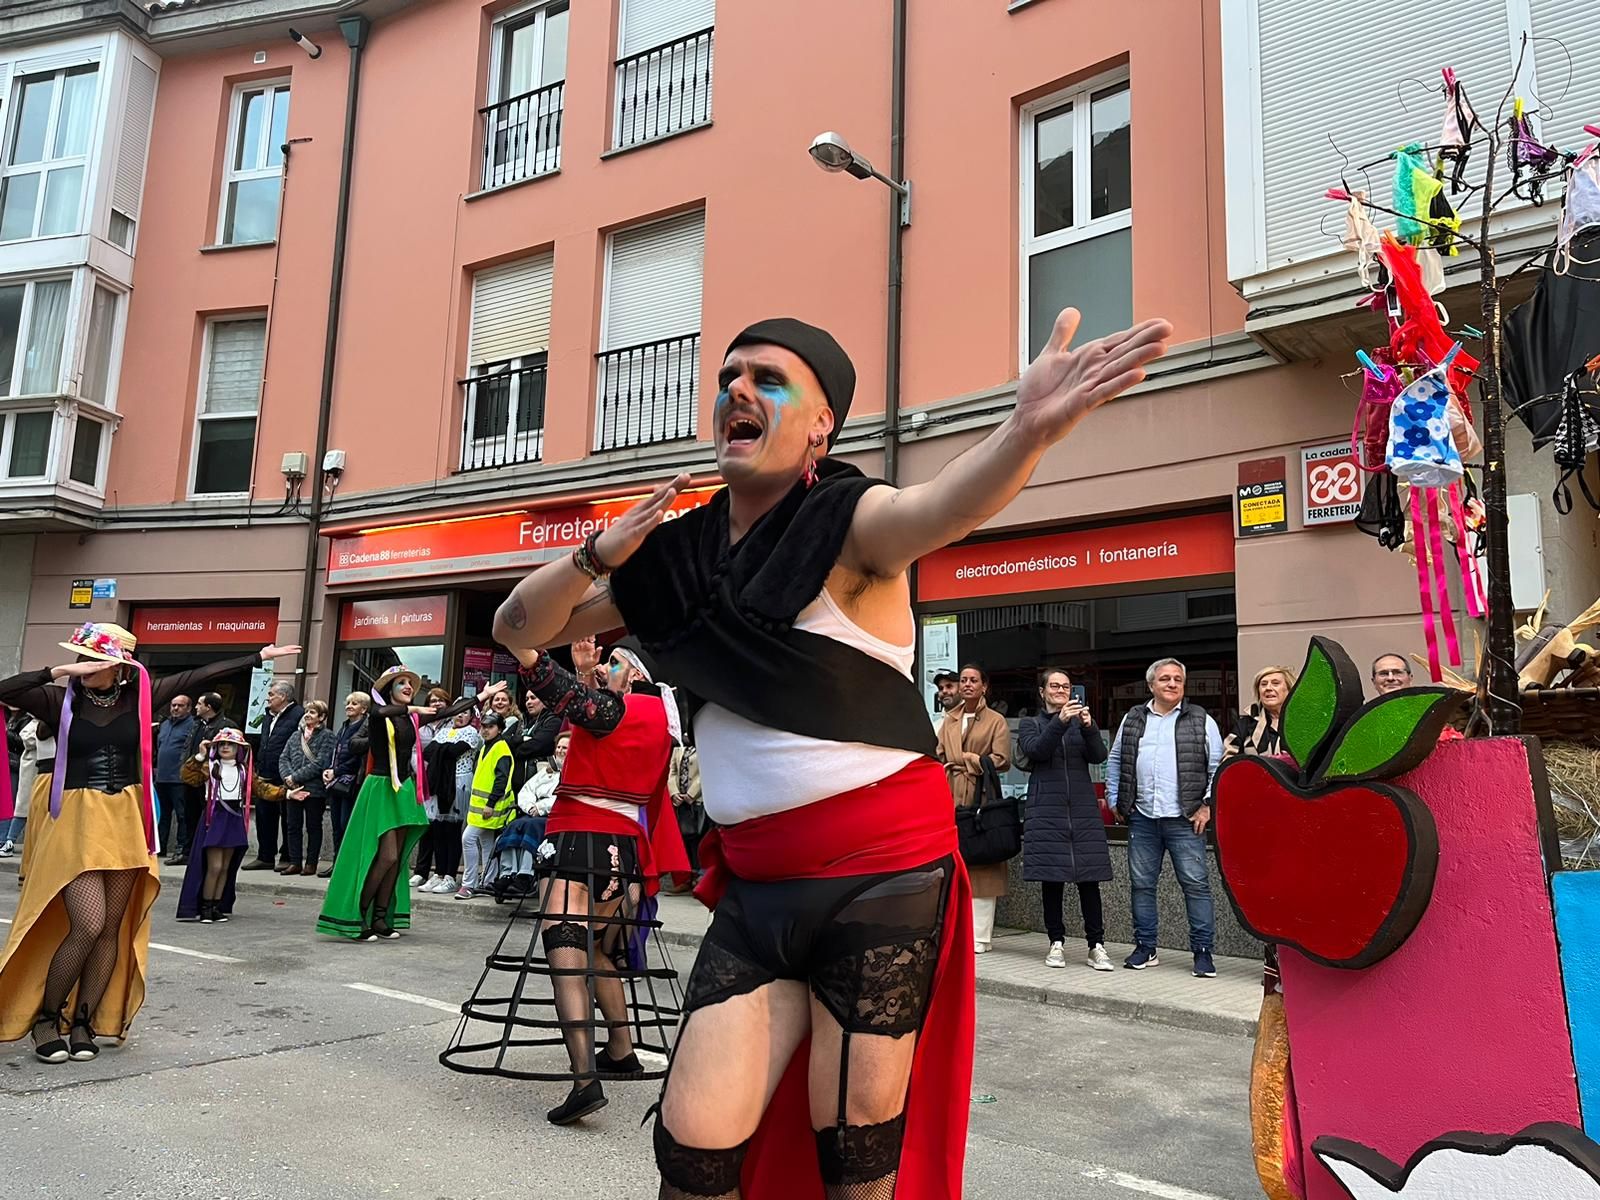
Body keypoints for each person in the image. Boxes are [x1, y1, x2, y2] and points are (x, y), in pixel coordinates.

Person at [488, 308, 1170, 1196]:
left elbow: (944, 506)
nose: (736, 388)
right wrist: (596, 553)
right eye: (730, 374)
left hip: (879, 882)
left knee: (852, 1161)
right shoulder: (673, 558)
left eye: (767, 379)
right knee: (689, 1155)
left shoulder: (850, 523)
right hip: (758, 890)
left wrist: (1023, 430)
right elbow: (515, 628)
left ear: (821, 425)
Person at [0, 623, 298, 1061]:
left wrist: (258, 657)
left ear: (121, 666)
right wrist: (56, 668)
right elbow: (6, 688)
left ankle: (83, 1020)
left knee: (110, 929)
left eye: (96, 660)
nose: (87, 667)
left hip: (125, 820)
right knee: (86, 923)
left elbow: (199, 676)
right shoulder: (58, 698)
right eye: (82, 658)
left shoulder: (140, 695)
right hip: (75, 822)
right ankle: (46, 1019)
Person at [442, 637, 688, 1127]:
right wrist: (586, 672)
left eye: (616, 662)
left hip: (578, 841)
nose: (608, 666)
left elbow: (571, 701)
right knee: (597, 949)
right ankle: (620, 1047)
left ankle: (583, 1081)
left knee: (567, 956)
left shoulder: (620, 708)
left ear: (636, 674)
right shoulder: (657, 717)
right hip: (624, 852)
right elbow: (591, 716)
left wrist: (527, 652)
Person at [315, 668, 476, 941]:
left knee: (397, 859)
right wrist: (411, 709)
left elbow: (448, 712)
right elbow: (377, 714)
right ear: (389, 690)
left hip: (403, 788)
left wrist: (482, 695)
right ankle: (360, 915)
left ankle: (380, 918)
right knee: (386, 855)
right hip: (380, 787)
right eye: (401, 683)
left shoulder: (410, 719)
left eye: (410, 684)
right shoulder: (380, 716)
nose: (407, 686)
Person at [1106, 657, 1225, 979]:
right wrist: (1115, 797)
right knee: (1141, 886)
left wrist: (1207, 806)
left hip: (1186, 818)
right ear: (1151, 685)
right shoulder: (1134, 718)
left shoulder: (1200, 719)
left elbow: (1217, 768)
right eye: (1165, 679)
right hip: (1143, 817)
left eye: (1177, 679)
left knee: (1196, 886)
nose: (1172, 684)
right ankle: (1146, 947)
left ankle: (1202, 952)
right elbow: (1116, 758)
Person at [1017, 669, 1113, 972]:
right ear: (1043, 692)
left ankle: (1096, 945)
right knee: (1052, 879)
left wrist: (1088, 727)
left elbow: (1099, 755)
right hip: (1047, 809)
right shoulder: (1030, 724)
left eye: (1066, 686)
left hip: (1082, 811)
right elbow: (1037, 751)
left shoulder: (1079, 724)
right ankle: (1055, 941)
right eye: (1054, 686)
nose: (1061, 690)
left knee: (1089, 880)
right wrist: (1059, 723)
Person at [937, 663, 1013, 954]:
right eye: (963, 680)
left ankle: (980, 936)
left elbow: (1002, 758)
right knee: (953, 862)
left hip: (981, 796)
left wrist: (970, 759)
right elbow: (939, 753)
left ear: (984, 686)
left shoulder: (995, 720)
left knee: (983, 862)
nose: (967, 685)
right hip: (951, 793)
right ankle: (954, 930)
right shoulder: (949, 720)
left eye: (973, 680)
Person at [176, 728, 253, 924]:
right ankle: (205, 906)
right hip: (215, 815)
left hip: (233, 817)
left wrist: (287, 794)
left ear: (238, 748)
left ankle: (217, 906)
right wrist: (201, 755)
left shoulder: (243, 770)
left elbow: (260, 787)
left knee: (226, 866)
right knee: (215, 866)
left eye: (231, 744)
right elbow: (186, 776)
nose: (226, 747)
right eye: (222, 744)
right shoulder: (209, 766)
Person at [416, 703, 481, 894]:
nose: (460, 716)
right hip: (439, 781)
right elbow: (428, 752)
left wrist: (441, 749)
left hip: (459, 782)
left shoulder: (471, 733)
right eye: (457, 712)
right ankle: (439, 872)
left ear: (471, 716)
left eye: (465, 712)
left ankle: (451, 875)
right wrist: (444, 749)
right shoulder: (445, 731)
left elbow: (454, 752)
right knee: (438, 828)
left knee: (452, 830)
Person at [245, 681, 303, 873]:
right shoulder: (267, 717)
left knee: (288, 818)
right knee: (264, 816)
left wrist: (293, 773)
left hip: (287, 775)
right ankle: (265, 856)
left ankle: (287, 856)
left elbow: (299, 745)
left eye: (271, 694)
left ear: (283, 696)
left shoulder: (298, 715)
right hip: (266, 772)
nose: (267, 698)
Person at [456, 710, 515, 899]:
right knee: (486, 842)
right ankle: (488, 881)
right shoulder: (487, 747)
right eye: (483, 726)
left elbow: (501, 780)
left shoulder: (501, 749)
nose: (485, 730)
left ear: (499, 729)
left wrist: (490, 803)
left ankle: (469, 884)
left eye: (490, 727)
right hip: (483, 807)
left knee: (468, 839)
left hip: (491, 807)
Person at [280, 700, 335, 877]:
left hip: (314, 790)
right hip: (293, 789)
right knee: (292, 826)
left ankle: (311, 863)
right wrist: (288, 779)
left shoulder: (328, 736)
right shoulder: (296, 735)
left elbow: (321, 763)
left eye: (312, 712)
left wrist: (295, 777)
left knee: (313, 826)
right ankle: (295, 862)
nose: (307, 715)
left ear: (322, 717)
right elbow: (283, 758)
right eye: (307, 711)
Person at [182, 692, 234, 862]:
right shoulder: (197, 724)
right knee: (190, 816)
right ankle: (188, 852)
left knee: (207, 818)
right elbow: (188, 748)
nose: (196, 707)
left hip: (211, 780)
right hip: (193, 776)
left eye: (199, 704)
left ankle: (203, 852)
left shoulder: (226, 727)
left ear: (208, 707)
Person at [323, 692, 370, 876]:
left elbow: (356, 757)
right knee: (336, 825)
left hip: (352, 783)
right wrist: (329, 769)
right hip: (336, 782)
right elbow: (336, 751)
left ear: (364, 709)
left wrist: (337, 770)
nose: (349, 706)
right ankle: (337, 863)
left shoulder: (364, 728)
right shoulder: (344, 726)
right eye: (348, 702)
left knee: (346, 824)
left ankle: (347, 866)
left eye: (355, 703)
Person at [152, 694, 196, 867]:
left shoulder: (193, 725)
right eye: (173, 705)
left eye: (180, 706)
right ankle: (160, 846)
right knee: (161, 815)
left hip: (179, 778)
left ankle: (181, 849)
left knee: (182, 815)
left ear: (188, 708)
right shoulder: (164, 725)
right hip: (161, 777)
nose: (175, 708)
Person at [1223, 665, 1297, 760]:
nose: (1268, 688)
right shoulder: (1245, 725)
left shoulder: (1302, 722)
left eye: (1275, 683)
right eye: (1263, 684)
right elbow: (1228, 762)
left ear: (1290, 690)